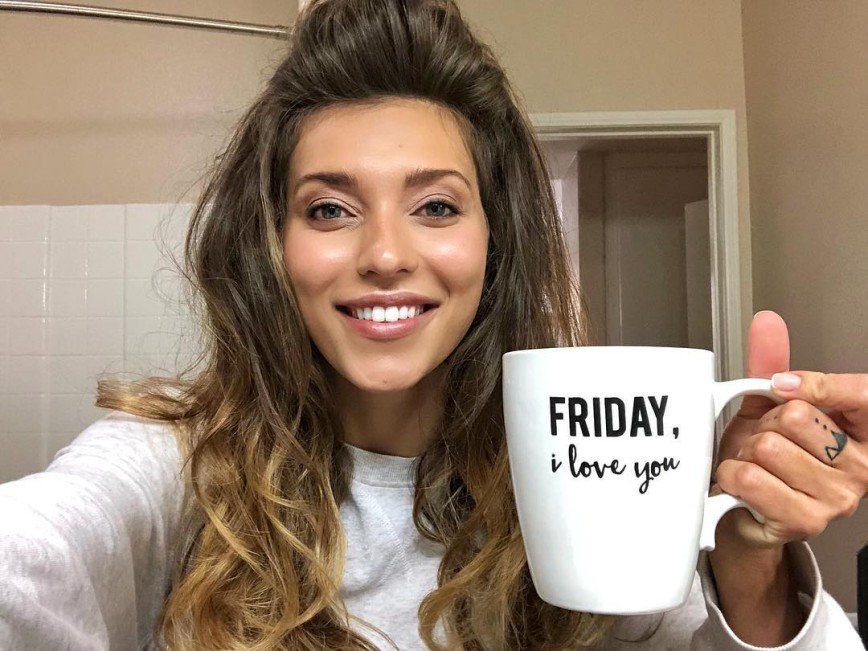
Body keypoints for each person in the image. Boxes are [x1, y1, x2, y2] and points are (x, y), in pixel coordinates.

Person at [1, 0, 866, 648]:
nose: (384, 253)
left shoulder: (584, 473)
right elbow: (39, 550)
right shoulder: (175, 466)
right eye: (330, 208)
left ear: (495, 239)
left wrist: (750, 553)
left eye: (437, 206)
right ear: (272, 242)